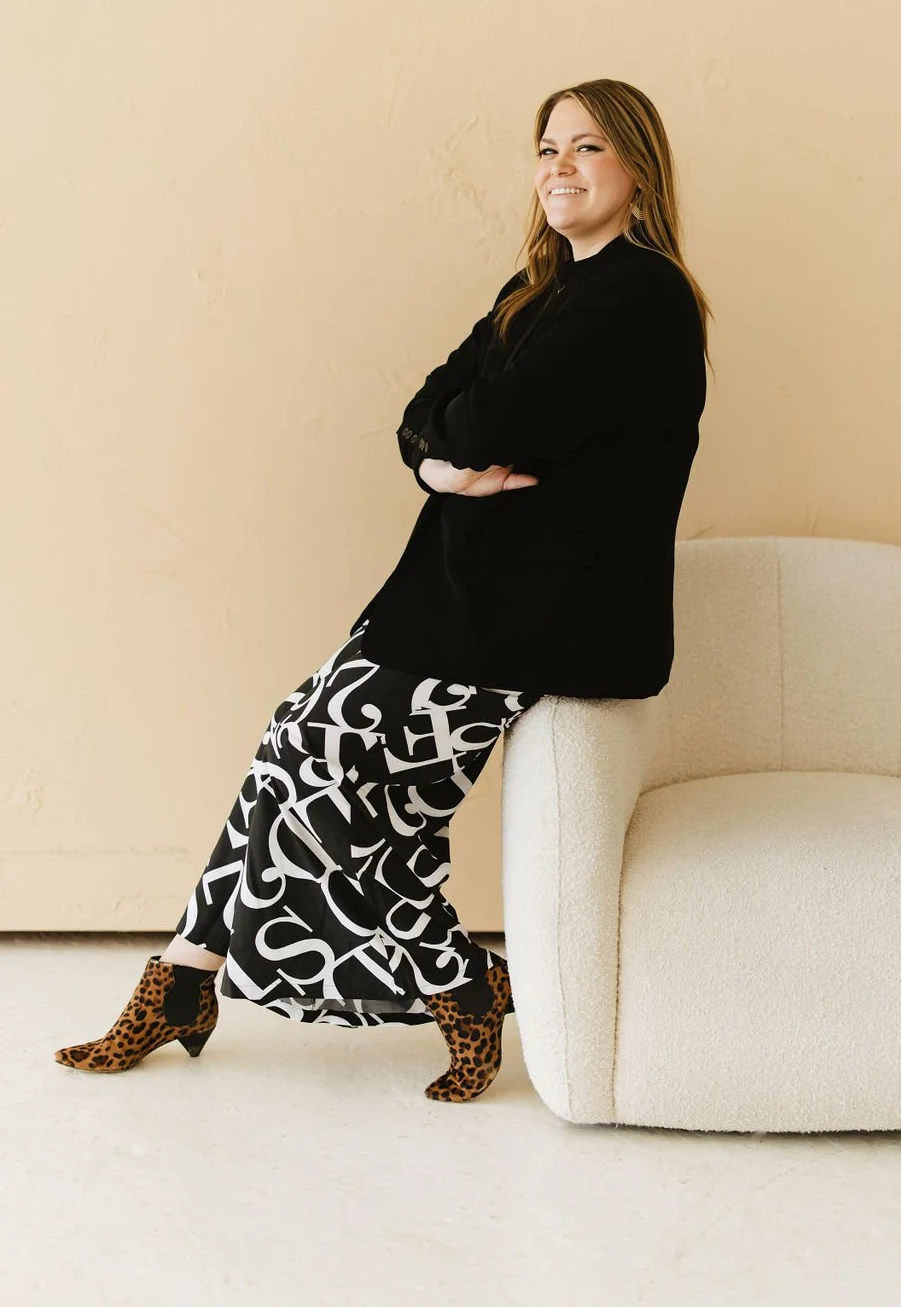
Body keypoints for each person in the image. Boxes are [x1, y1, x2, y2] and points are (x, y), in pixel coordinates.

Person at [52, 78, 712, 1102]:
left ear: (637, 167)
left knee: (336, 784)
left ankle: (466, 981)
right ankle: (185, 974)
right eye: (546, 147)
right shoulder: (536, 288)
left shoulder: (641, 297)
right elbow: (427, 410)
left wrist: (459, 443)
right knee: (292, 742)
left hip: (533, 615)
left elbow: (485, 418)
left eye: (586, 147)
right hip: (454, 595)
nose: (559, 167)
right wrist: (439, 467)